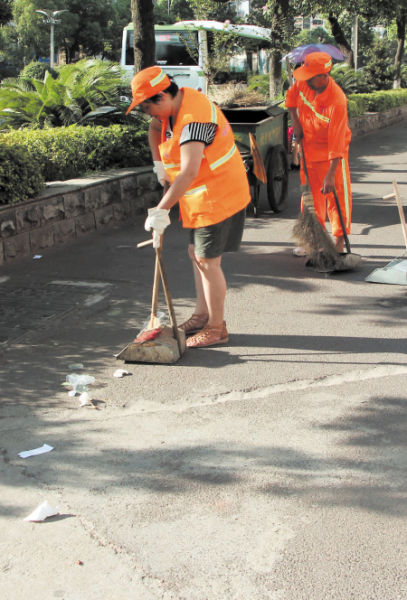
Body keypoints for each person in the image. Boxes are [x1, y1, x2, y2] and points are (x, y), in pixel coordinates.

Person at [126, 66, 251, 348]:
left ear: (161, 97)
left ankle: (217, 328)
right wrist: (159, 163)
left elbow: (189, 172)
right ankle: (201, 315)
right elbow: (155, 128)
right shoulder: (174, 106)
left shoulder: (194, 121)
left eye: (149, 108)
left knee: (208, 261)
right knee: (196, 253)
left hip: (217, 194)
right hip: (198, 196)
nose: (151, 116)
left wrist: (161, 209)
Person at [285, 52, 352, 255]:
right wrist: (296, 122)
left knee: (337, 198)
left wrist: (331, 174)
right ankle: (313, 241)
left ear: (324, 75)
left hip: (332, 157)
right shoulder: (304, 83)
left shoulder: (337, 101)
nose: (305, 79)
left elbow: (337, 140)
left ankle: (339, 243)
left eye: (310, 75)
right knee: (310, 199)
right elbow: (290, 98)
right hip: (308, 150)